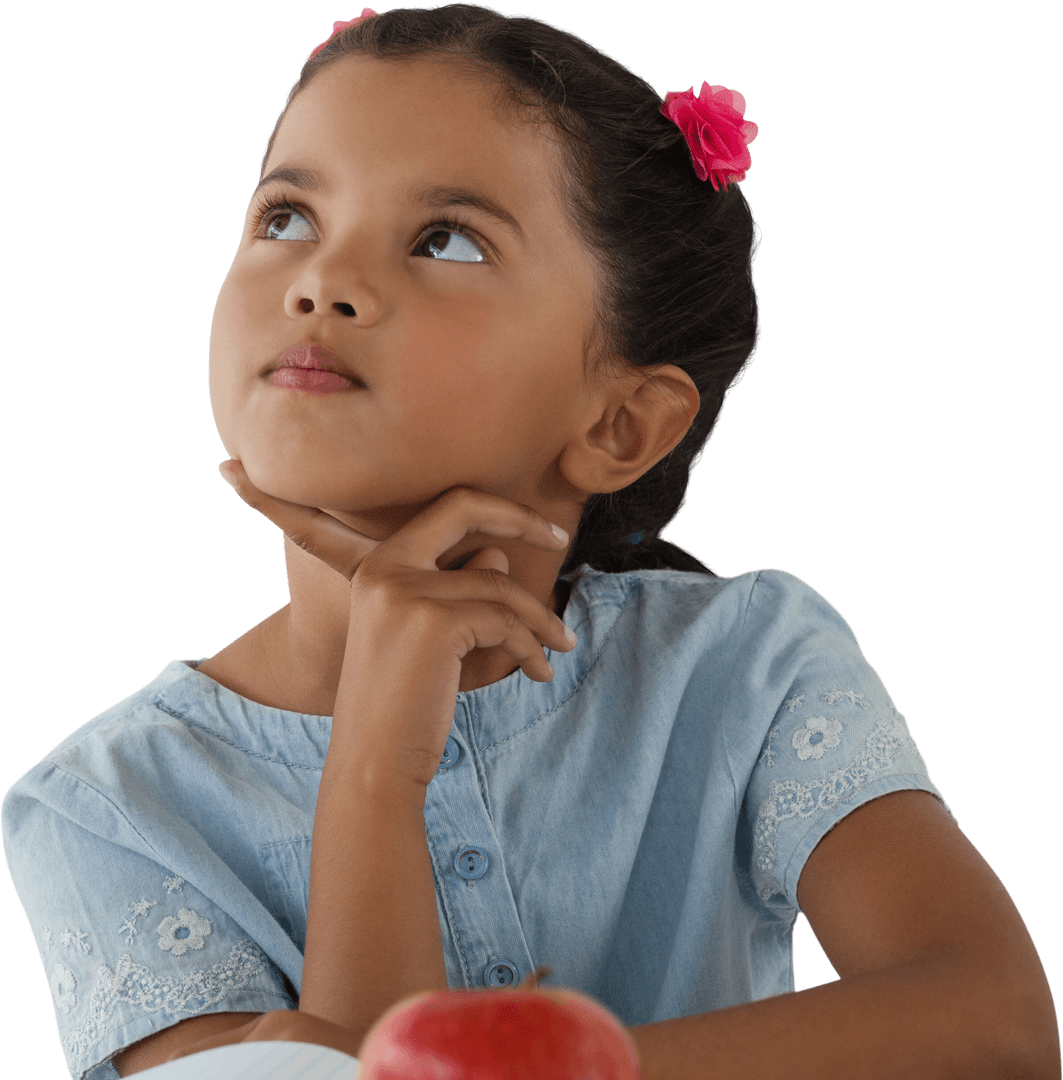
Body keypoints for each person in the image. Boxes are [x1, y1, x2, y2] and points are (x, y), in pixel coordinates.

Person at [2, 5, 1057, 1079]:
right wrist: (375, 764)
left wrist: (541, 1065)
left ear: (619, 425)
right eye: (285, 218)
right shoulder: (109, 807)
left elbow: (998, 1027)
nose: (319, 282)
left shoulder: (746, 663)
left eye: (442, 240)